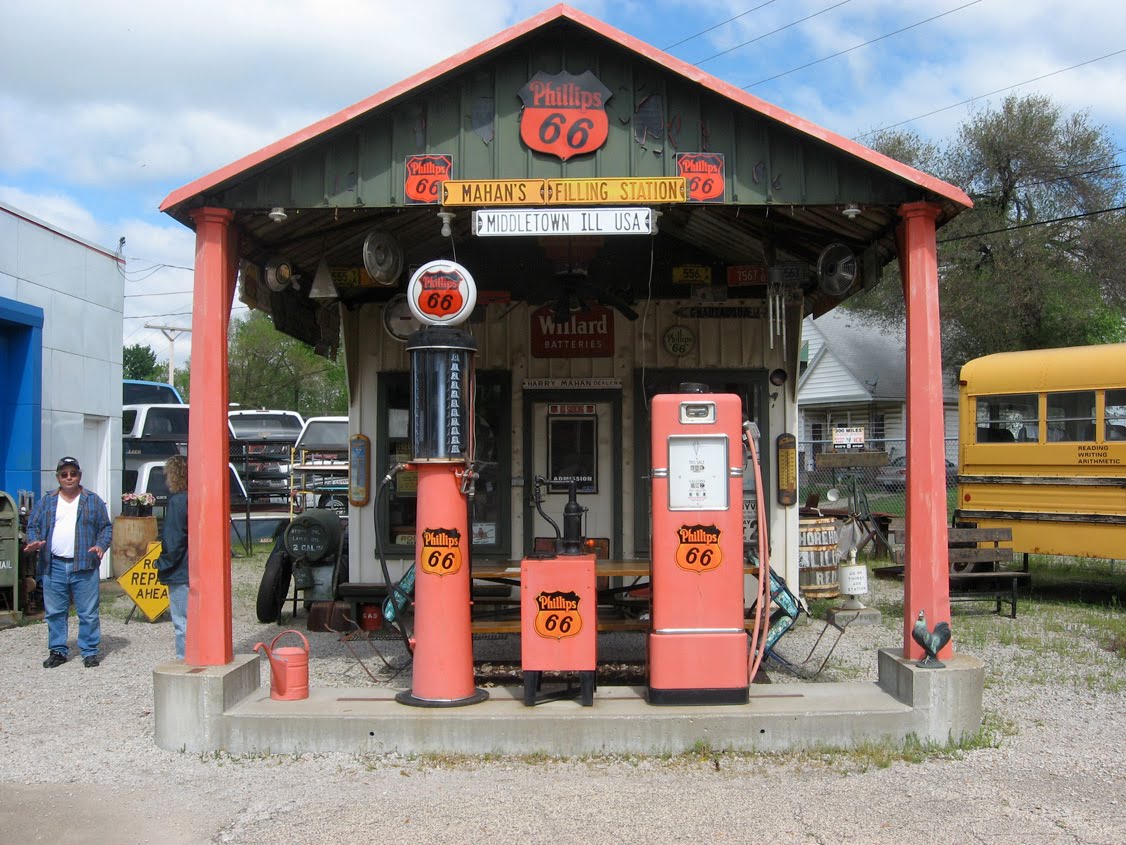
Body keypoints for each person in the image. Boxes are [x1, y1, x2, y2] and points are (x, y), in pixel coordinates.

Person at [24, 457, 113, 668]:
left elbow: (106, 527)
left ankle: (90, 651)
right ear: (58, 477)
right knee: (55, 612)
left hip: (84, 564)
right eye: (64, 474)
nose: (69, 477)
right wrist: (34, 541)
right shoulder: (47, 501)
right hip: (53, 564)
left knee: (88, 612)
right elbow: (32, 525)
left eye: (73, 473)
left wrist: (101, 545)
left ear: (79, 475)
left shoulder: (93, 500)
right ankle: (57, 650)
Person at [154, 455, 189, 659]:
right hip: (198, 567)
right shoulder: (197, 496)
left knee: (182, 622)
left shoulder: (178, 501)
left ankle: (185, 661)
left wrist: (163, 563)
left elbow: (174, 538)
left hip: (181, 569)